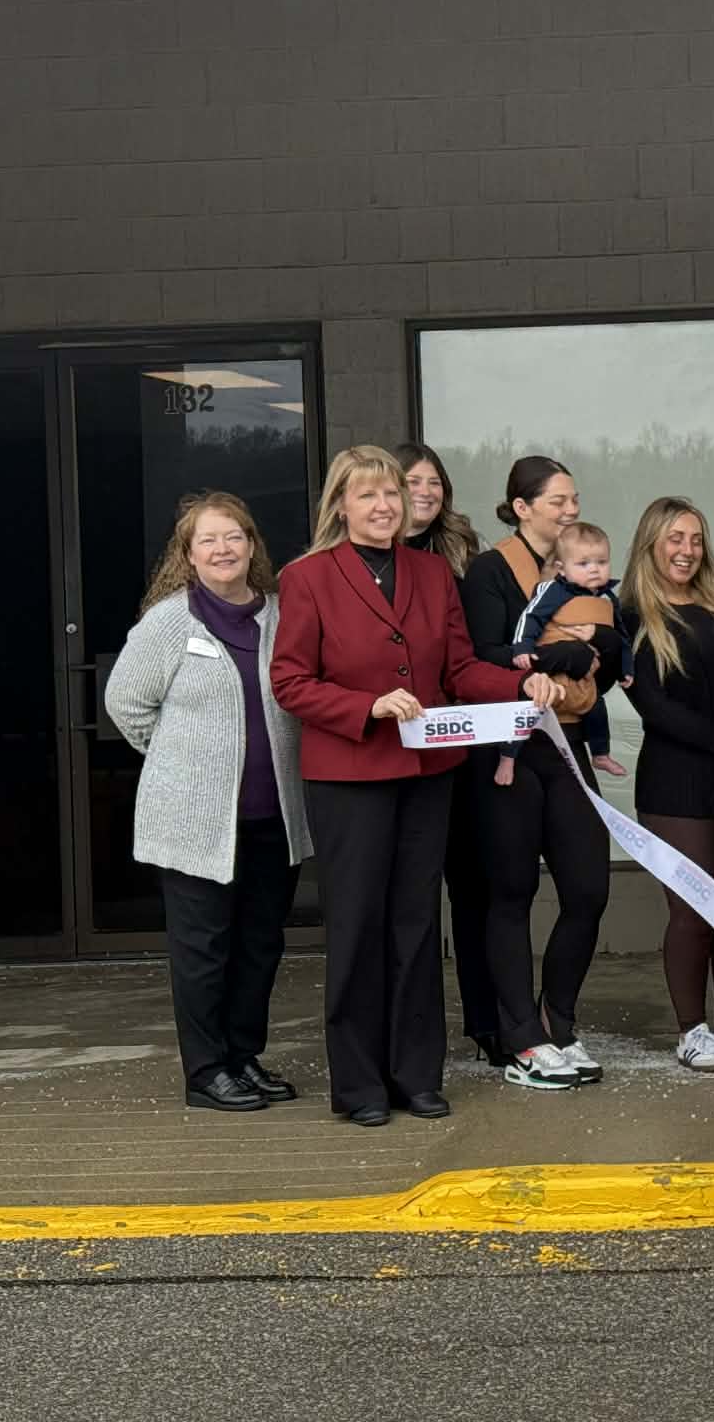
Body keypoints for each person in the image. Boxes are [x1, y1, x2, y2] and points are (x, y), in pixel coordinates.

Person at [272, 446, 557, 1127]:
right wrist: (366, 707)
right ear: (341, 505)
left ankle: (416, 1075)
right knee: (357, 927)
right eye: (367, 495)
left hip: (427, 775)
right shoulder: (307, 577)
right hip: (349, 777)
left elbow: (458, 670)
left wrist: (521, 684)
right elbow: (290, 682)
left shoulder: (431, 573)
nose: (383, 506)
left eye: (391, 494)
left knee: (417, 924)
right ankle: (359, 1086)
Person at [106, 492, 312, 1113]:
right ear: (188, 554)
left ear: (252, 545)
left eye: (233, 537)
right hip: (193, 823)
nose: (223, 550)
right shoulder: (169, 622)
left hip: (274, 815)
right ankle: (205, 1072)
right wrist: (180, 762)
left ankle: (243, 1057)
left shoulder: (281, 615)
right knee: (202, 952)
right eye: (208, 540)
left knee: (260, 945)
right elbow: (125, 703)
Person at [461, 457, 620, 1092]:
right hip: (511, 747)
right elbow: (481, 655)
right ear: (522, 508)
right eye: (558, 501)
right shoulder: (491, 570)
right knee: (511, 893)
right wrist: (566, 653)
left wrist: (592, 654)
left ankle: (559, 1020)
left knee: (588, 889)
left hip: (570, 741)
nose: (571, 510)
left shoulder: (587, 571)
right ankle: (521, 1037)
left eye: (574, 499)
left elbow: (611, 653)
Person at [619, 495, 714, 1073]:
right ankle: (691, 1030)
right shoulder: (629, 615)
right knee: (694, 910)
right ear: (650, 544)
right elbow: (655, 709)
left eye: (695, 539)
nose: (687, 550)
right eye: (675, 538)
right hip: (675, 783)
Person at [394, 442, 498, 1063]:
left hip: (465, 740)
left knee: (474, 884)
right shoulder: (349, 565)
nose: (425, 492)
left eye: (434, 481)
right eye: (412, 481)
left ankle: (487, 1022)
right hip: (395, 749)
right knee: (409, 899)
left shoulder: (462, 556)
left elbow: (471, 656)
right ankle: (412, 1036)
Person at [494, 520, 614, 789]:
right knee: (527, 709)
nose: (594, 569)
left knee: (596, 705)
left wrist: (623, 664)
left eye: (601, 562)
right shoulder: (552, 591)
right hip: (548, 670)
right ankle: (507, 757)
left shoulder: (605, 599)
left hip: (581, 679)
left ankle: (600, 753)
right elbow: (530, 619)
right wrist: (523, 647)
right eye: (583, 563)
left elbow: (620, 642)